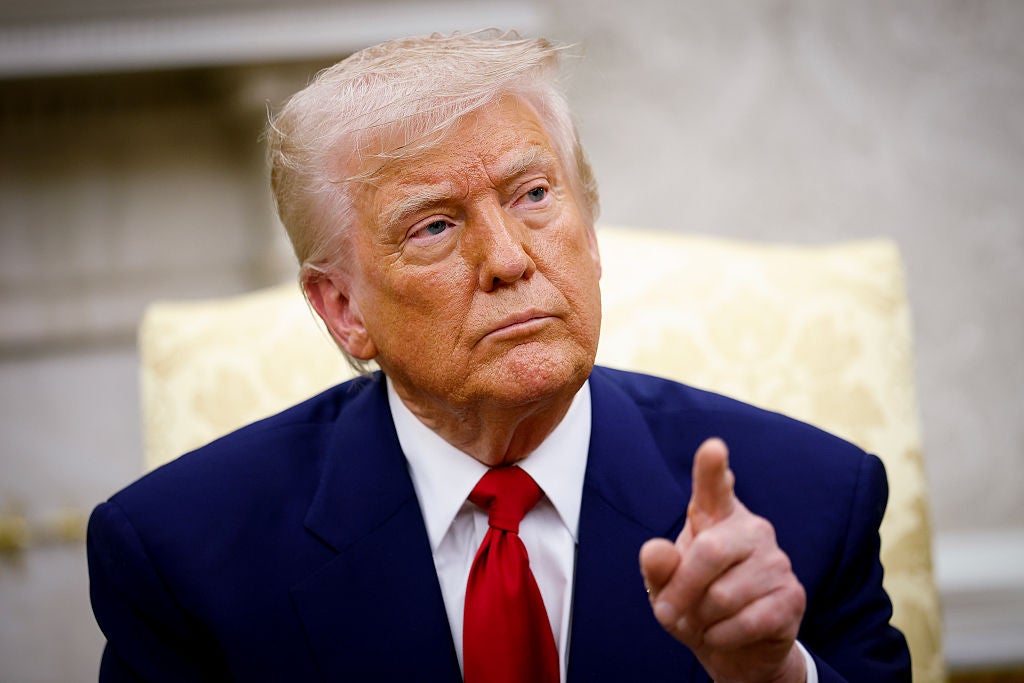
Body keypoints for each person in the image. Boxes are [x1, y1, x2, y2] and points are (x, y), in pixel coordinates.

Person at [87, 30, 910, 682]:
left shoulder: (810, 504)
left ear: (588, 232)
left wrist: (770, 678)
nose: (509, 258)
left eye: (534, 195)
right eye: (434, 225)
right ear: (342, 309)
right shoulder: (180, 558)